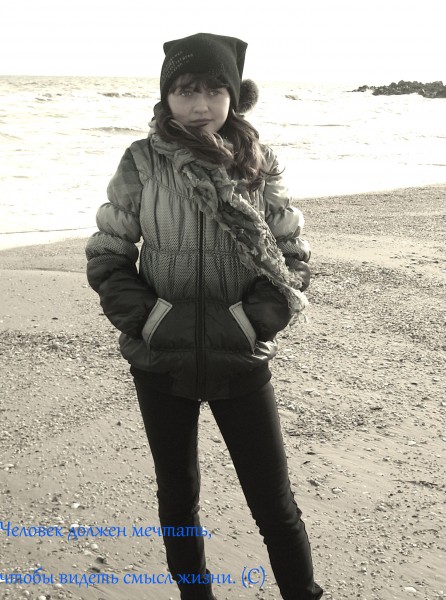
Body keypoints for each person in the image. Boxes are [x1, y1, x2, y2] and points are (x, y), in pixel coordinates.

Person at [86, 32, 323, 600]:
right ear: (166, 96)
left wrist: (249, 323)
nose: (199, 105)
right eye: (185, 90)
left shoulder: (258, 164)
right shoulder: (141, 161)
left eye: (214, 90)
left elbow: (291, 257)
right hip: (159, 359)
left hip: (242, 356)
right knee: (177, 498)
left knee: (274, 503)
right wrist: (151, 322)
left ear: (234, 97)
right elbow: (109, 254)